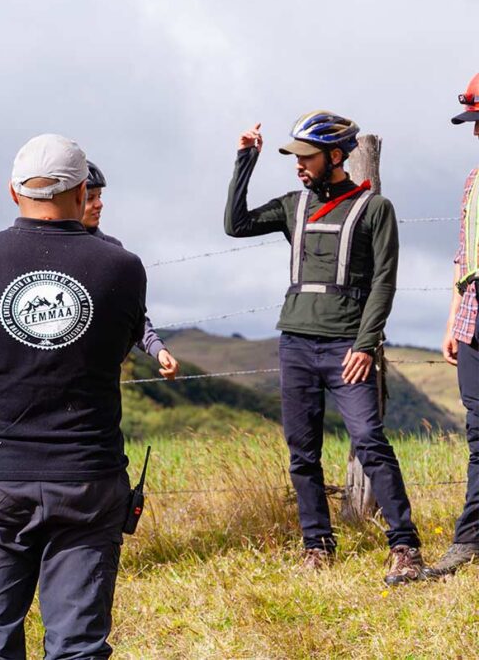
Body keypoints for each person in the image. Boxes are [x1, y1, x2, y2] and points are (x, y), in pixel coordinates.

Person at [0, 134, 148, 658]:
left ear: (13, 192)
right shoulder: (121, 268)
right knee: (78, 645)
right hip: (87, 477)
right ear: (82, 192)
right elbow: (116, 350)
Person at [224, 111, 424, 584]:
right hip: (294, 343)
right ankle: (316, 545)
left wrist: (365, 343)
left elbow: (383, 283)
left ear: (336, 156)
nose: (298, 165)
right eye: (295, 156)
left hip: (346, 348)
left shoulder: (375, 208)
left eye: (306, 156)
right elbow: (236, 224)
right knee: (302, 453)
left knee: (370, 442)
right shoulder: (294, 204)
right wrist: (244, 160)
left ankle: (406, 546)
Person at [429, 73, 479, 578]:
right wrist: (452, 317)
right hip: (473, 318)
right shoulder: (473, 181)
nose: (475, 132)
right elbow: (465, 255)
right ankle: (469, 539)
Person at [84, 160, 180, 379]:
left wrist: (158, 349)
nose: (99, 204)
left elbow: (133, 316)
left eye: (100, 196)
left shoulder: (112, 250)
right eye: (90, 198)